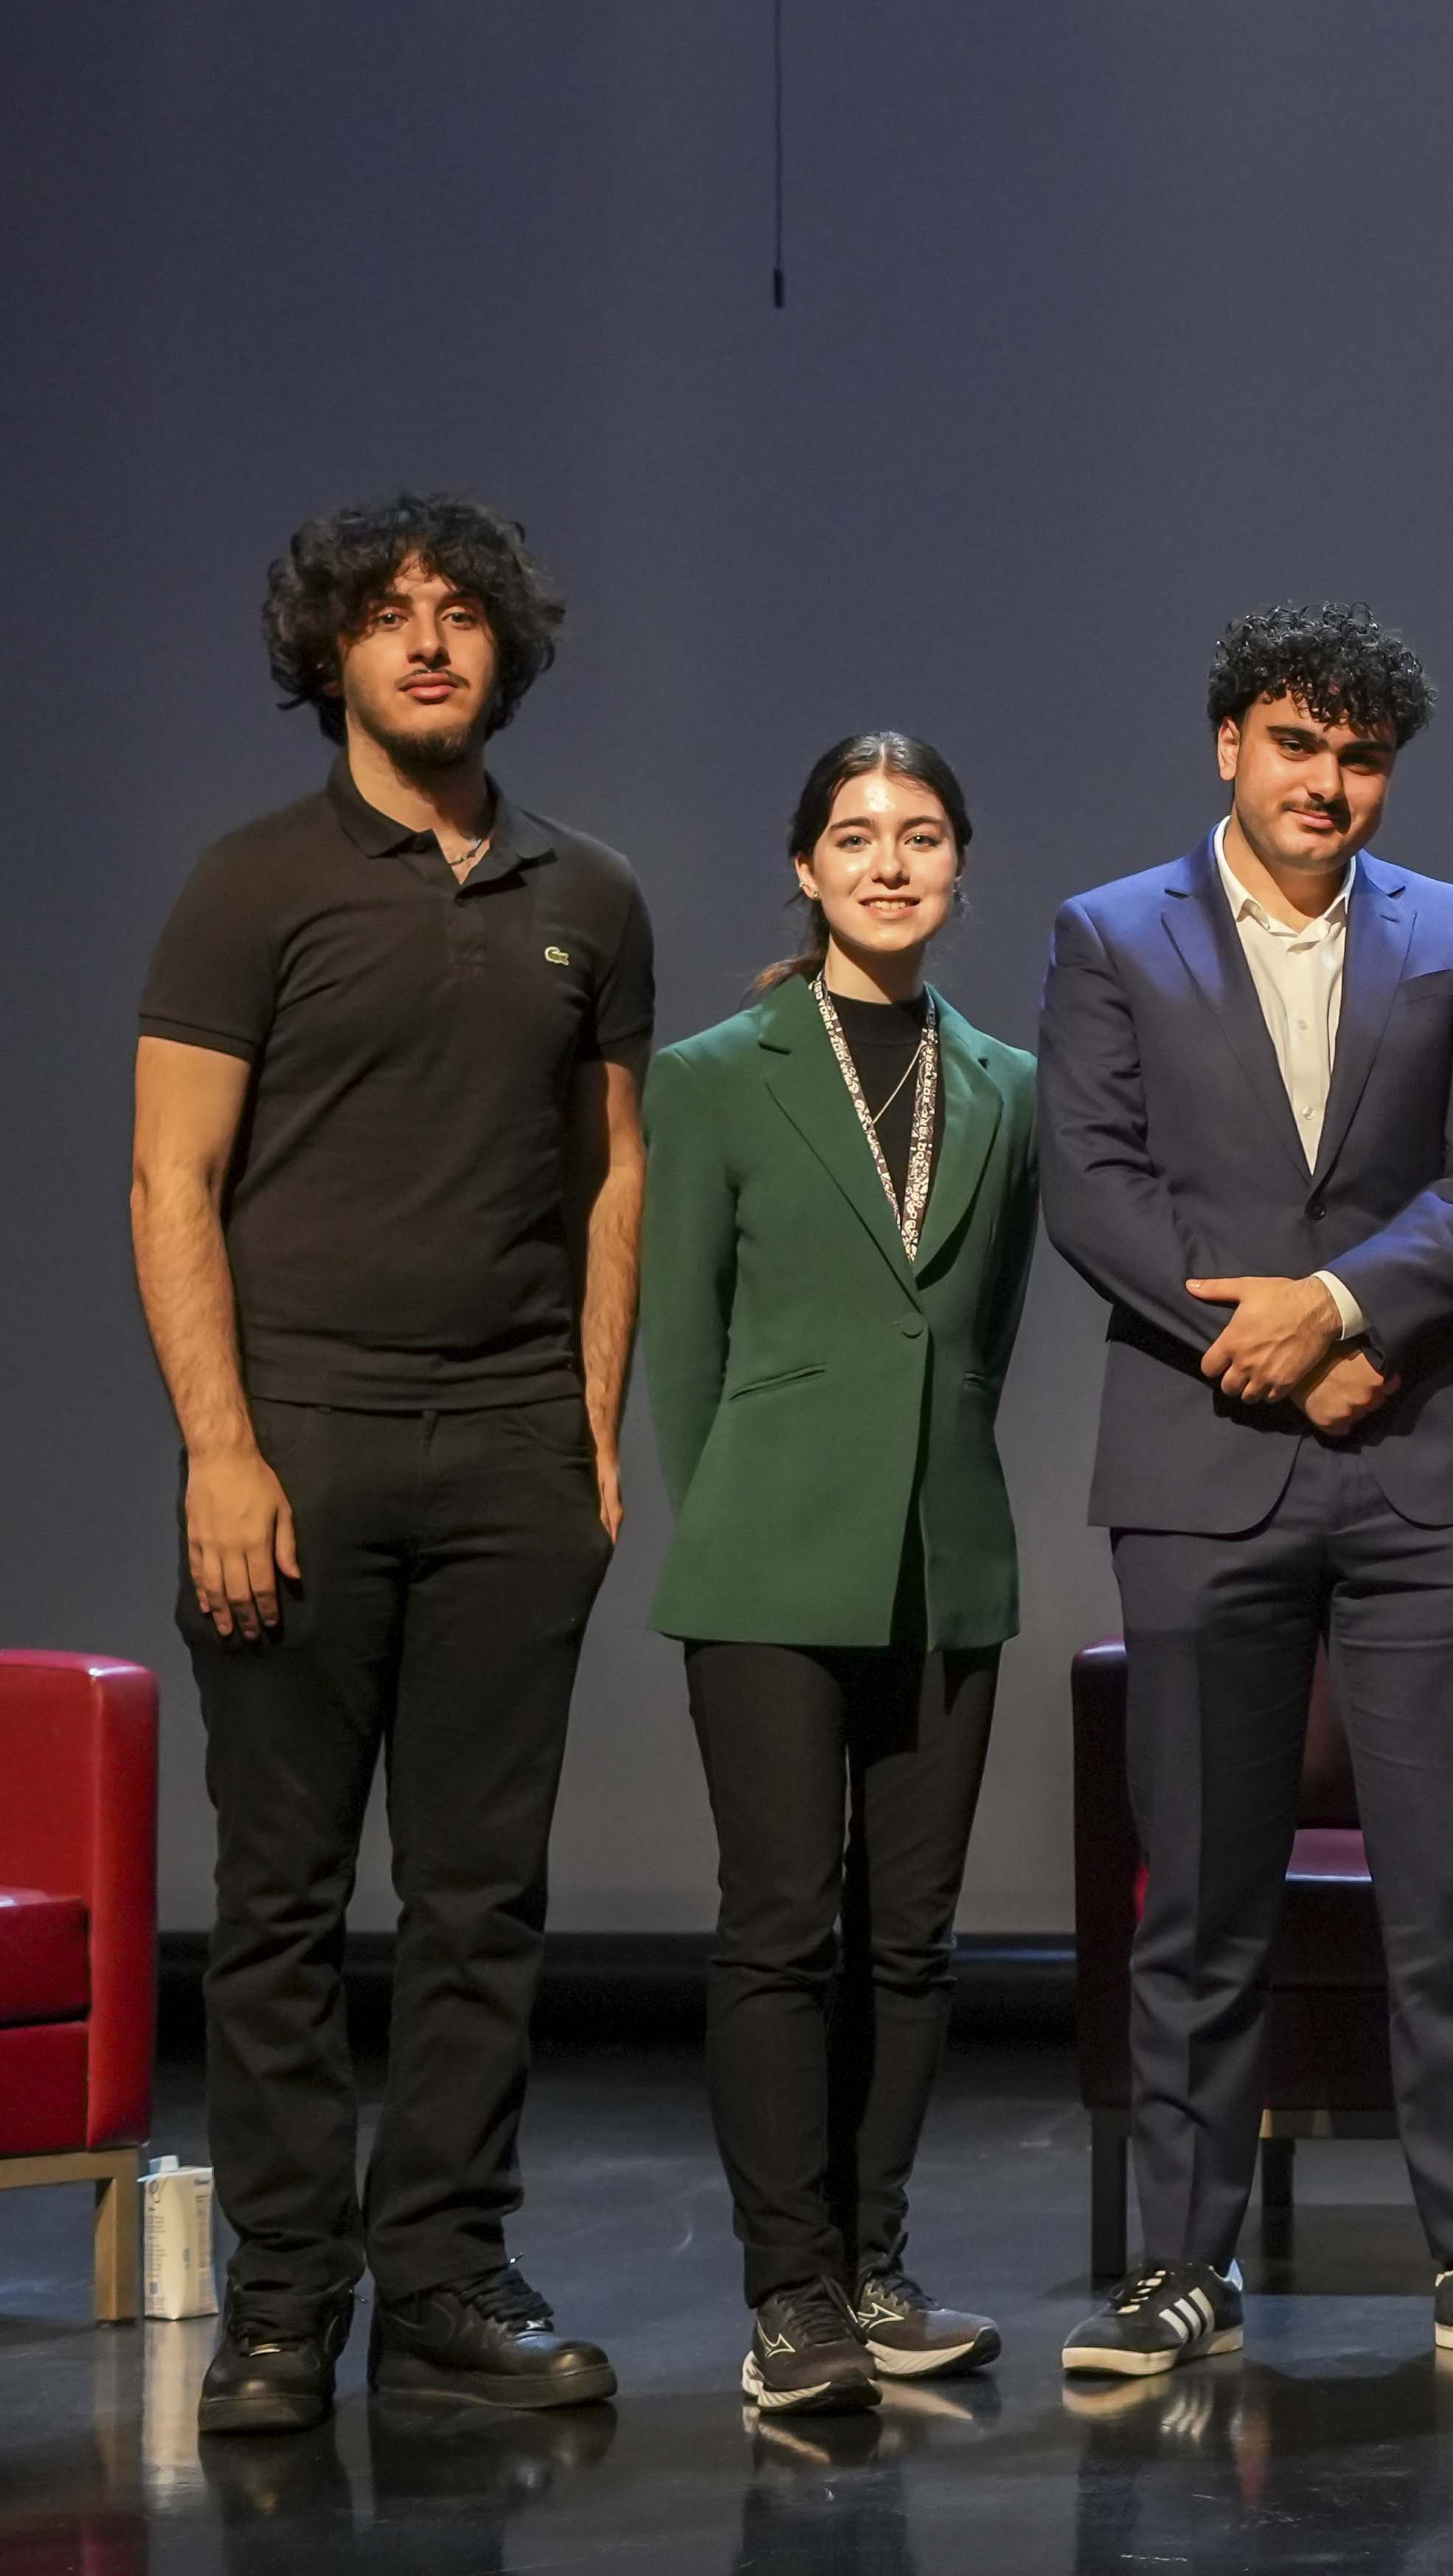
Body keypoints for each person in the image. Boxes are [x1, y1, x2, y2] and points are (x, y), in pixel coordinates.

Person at [132, 495, 642, 2431]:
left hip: (510, 1456)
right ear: (327, 655)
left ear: (505, 646)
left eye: (459, 617)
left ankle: (442, 2273)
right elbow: (169, 1174)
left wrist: (592, 1440)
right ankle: (280, 2302)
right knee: (275, 1897)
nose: (428, 645)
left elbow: (612, 1182)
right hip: (301, 1450)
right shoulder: (249, 886)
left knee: (478, 1896)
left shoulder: (587, 893)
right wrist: (222, 1451)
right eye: (388, 619)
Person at [1039, 603, 1453, 2376]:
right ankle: (1180, 2266)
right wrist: (1263, 1340)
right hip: (1209, 1469)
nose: (1327, 783)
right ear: (1229, 745)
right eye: (1297, 745)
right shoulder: (1113, 934)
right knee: (1201, 1899)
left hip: (1428, 1460)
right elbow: (1099, 1187)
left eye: (1359, 756)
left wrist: (1347, 1309)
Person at [640, 733, 1040, 2413]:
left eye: (924, 835)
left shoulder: (1005, 1079)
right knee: (780, 1929)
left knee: (916, 1940)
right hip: (767, 1551)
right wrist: (740, 1507)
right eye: (857, 837)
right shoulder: (717, 1070)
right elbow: (683, 1338)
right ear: (803, 867)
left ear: (960, 868)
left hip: (944, 1548)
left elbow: (986, 1328)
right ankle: (787, 2293)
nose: (891, 864)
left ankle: (876, 2267)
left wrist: (921, 1462)